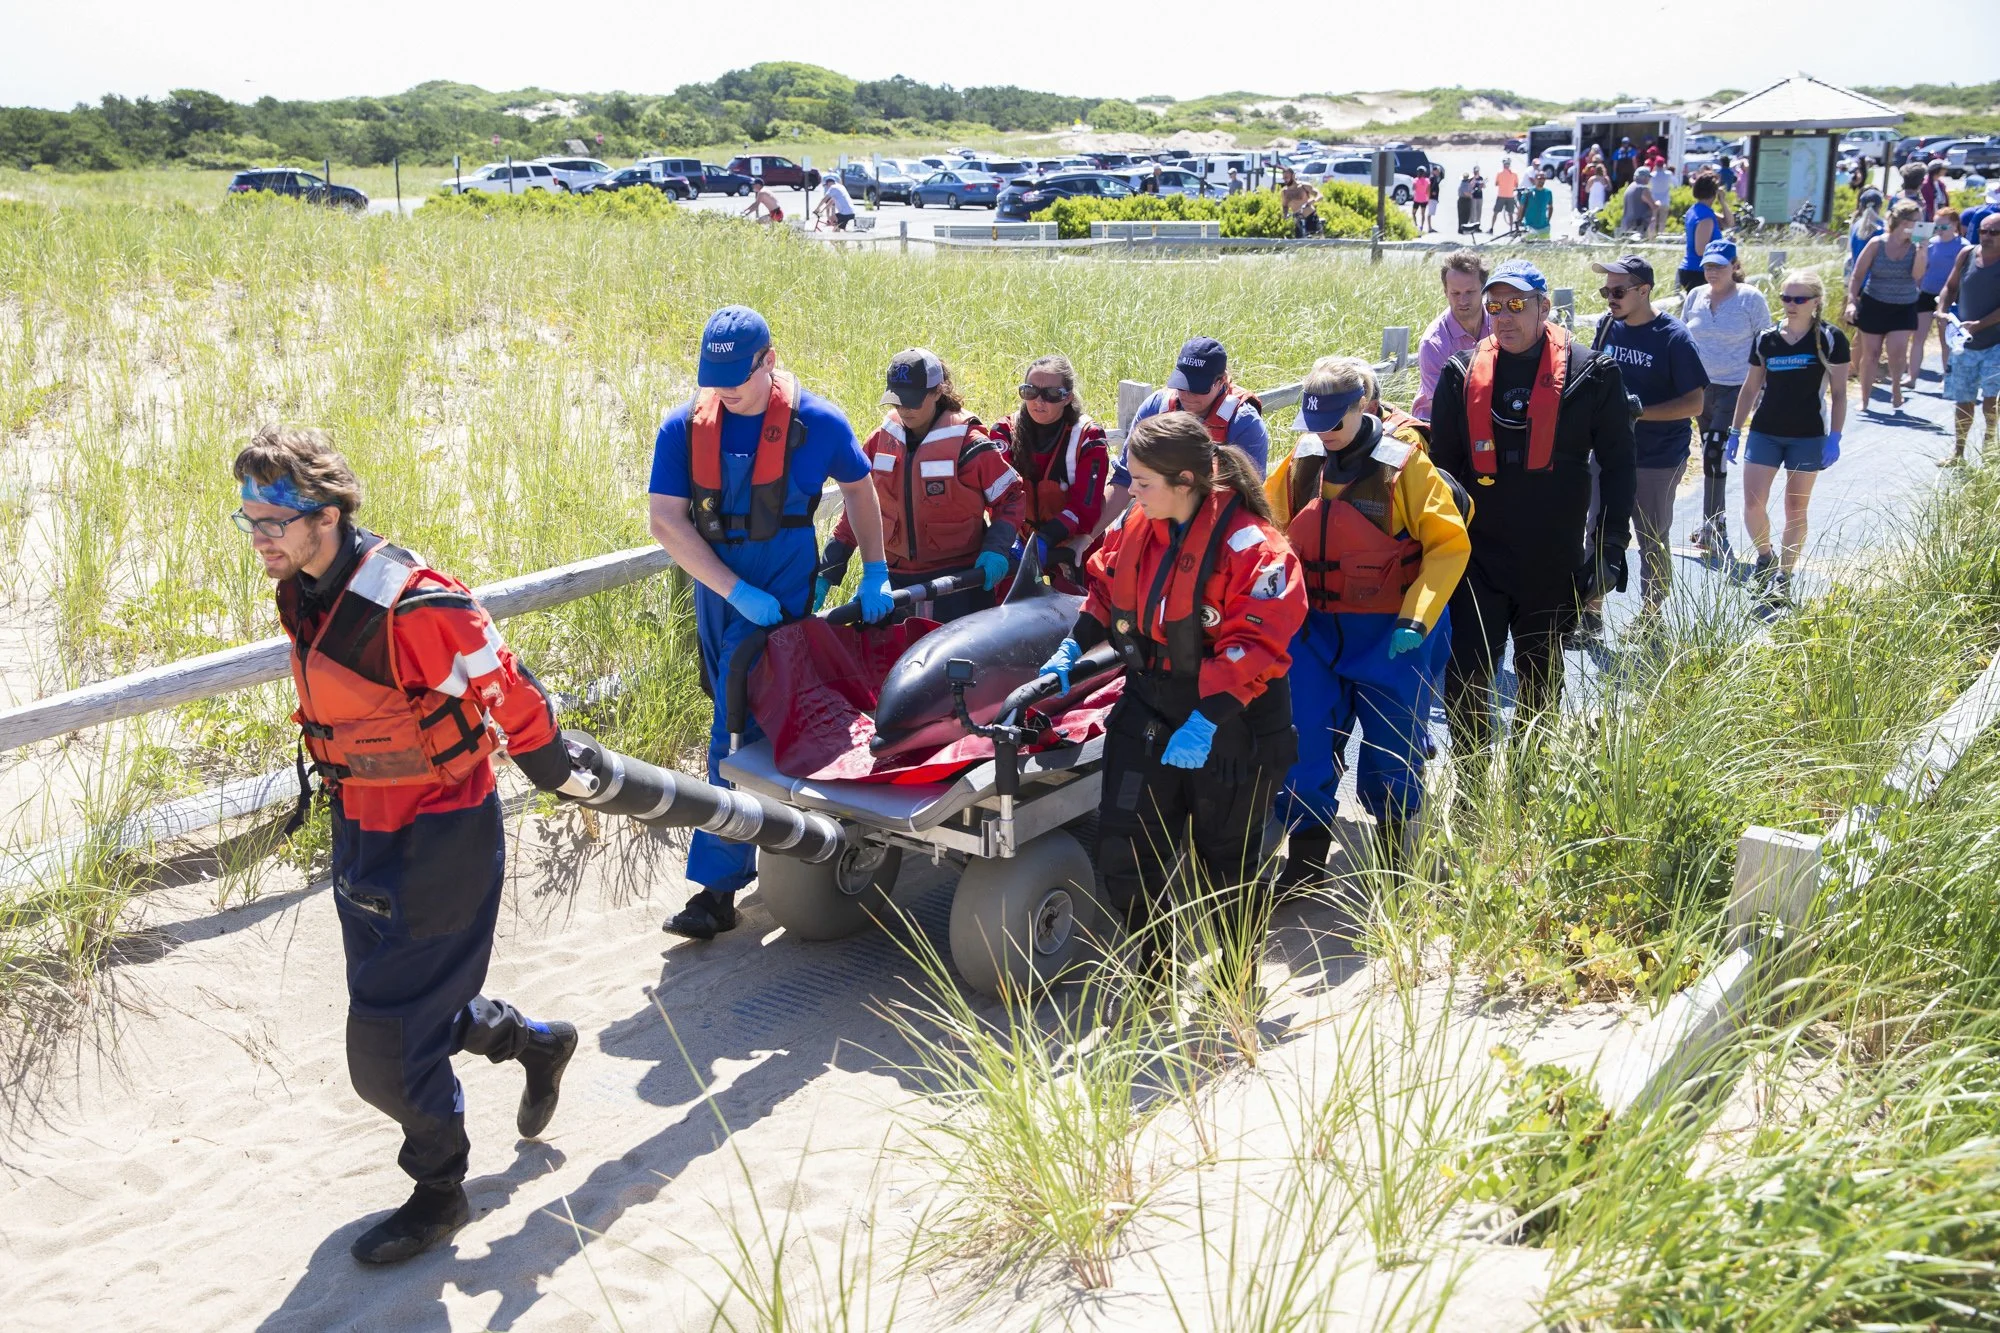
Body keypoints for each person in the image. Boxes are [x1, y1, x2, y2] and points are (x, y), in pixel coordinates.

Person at [232, 427, 581, 1265]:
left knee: (384, 1054)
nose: (260, 539)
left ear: (327, 512)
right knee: (407, 1006)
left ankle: (439, 1190)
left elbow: (505, 679)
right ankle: (536, 1042)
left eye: (274, 520)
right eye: (247, 521)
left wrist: (549, 762)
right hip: (359, 824)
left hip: (438, 833)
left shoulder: (412, 600)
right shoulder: (308, 588)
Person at [648, 306, 890, 941]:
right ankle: (795, 837)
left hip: (781, 584)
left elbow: (862, 492)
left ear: (769, 360)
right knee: (738, 704)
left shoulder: (819, 423)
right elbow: (666, 522)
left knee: (733, 718)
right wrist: (731, 588)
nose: (725, 390)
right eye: (714, 378)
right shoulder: (682, 427)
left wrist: (875, 569)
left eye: (737, 377)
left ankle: (718, 888)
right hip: (716, 584)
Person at [1038, 412, 1306, 938]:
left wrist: (1207, 722)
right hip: (1150, 702)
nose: (1130, 492)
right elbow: (1104, 588)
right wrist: (1072, 646)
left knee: (1225, 864)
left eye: (1140, 482)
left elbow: (1257, 649)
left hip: (1231, 717)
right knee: (1125, 849)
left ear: (1185, 482)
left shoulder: (1256, 552)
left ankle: (1234, 984)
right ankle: (1154, 974)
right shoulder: (1139, 525)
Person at [1266, 358, 1469, 877]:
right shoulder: (1303, 460)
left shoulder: (1405, 467)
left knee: (1392, 747)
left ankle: (1394, 852)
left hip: (1389, 634)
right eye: (1314, 424)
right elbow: (1268, 526)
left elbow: (1448, 545)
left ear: (1362, 406)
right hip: (1313, 632)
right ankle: (1306, 859)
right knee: (1304, 736)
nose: (1324, 434)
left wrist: (1416, 619)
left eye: (1335, 422)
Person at [1428, 259, 1637, 749]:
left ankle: (1530, 775)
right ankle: (1473, 784)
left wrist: (1609, 544)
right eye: (1495, 304)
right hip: (1478, 558)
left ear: (1545, 307)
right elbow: (1443, 473)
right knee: (1466, 675)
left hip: (1552, 556)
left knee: (1539, 673)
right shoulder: (1460, 375)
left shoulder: (1593, 374)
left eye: (1517, 304)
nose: (1504, 315)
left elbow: (1619, 466)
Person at [820, 348, 1027, 622]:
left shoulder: (970, 445)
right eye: (897, 402)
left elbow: (1011, 497)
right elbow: (859, 507)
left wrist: (996, 549)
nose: (904, 410)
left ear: (938, 391)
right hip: (893, 583)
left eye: (913, 401)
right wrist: (829, 570)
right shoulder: (880, 442)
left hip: (960, 583)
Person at [1590, 254, 1708, 618]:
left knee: (1651, 539)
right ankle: (1591, 611)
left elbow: (1696, 403)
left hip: (1657, 457)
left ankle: (1650, 614)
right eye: (1605, 290)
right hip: (1608, 452)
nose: (1611, 297)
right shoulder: (1608, 326)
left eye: (1619, 290)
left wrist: (1638, 415)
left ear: (1643, 290)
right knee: (1597, 532)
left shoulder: (1673, 338)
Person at [1725, 269, 1850, 605]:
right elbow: (1751, 387)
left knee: (1795, 508)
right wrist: (1735, 431)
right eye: (1785, 298)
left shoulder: (1831, 338)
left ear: (1816, 301)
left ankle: (1785, 575)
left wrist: (1835, 436)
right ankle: (1765, 558)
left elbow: (1839, 392)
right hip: (1765, 431)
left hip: (1807, 435)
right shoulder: (1766, 338)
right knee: (1753, 504)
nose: (1791, 305)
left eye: (1800, 299)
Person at [1103, 337, 1272, 529]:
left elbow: (1247, 498)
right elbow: (1125, 479)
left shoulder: (1244, 423)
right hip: (1155, 517)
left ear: (1221, 381)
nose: (1187, 394)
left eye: (1198, 388)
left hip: (1214, 525)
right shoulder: (1156, 408)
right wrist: (1086, 538)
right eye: (1182, 385)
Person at [1679, 240, 1773, 560]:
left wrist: (1765, 389)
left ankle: (1714, 526)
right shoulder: (1694, 296)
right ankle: (1713, 524)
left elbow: (1767, 344)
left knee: (1715, 450)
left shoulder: (1750, 299)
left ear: (1735, 266)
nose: (1712, 272)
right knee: (1709, 455)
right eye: (1707, 266)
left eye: (1719, 266)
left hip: (1737, 387)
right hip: (1701, 389)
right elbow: (1684, 341)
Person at [985, 353, 1109, 590]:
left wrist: (1044, 541)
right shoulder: (1003, 431)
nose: (1039, 401)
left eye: (1051, 395)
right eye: (1030, 391)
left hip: (1075, 552)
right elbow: (997, 494)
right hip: (1019, 547)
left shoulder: (1088, 438)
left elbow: (1086, 507)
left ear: (1067, 398)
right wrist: (1009, 539)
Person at [1847, 199, 1928, 413]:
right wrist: (1851, 302)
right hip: (1874, 302)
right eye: (1917, 221)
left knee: (1897, 351)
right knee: (1871, 353)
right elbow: (1858, 275)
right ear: (1903, 222)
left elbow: (1917, 276)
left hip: (1904, 304)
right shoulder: (1877, 243)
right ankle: (1864, 399)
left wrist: (1922, 250)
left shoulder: (1915, 246)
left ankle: (1896, 390)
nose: (1921, 225)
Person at [1938, 211, 2000, 465]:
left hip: (1995, 342)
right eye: (1983, 231)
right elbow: (1950, 286)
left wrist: (1980, 325)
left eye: (1994, 232)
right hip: (1964, 343)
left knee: (1991, 401)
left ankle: (1990, 453)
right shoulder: (1966, 255)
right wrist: (1942, 309)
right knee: (1963, 399)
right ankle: (1958, 453)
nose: (1986, 237)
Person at [1414, 250, 1493, 422]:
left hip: (1487, 415)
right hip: (1438, 423)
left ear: (1484, 290)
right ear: (1445, 292)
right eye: (1455, 293)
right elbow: (1442, 407)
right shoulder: (1433, 343)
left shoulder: (1499, 324)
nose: (1463, 300)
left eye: (1470, 292)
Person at [1915, 208, 1966, 391]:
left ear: (1954, 225)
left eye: (1943, 225)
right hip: (1927, 293)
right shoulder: (1931, 243)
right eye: (1935, 225)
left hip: (1949, 297)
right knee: (1918, 336)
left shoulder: (1963, 245)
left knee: (1946, 341)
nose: (1939, 229)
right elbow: (1922, 267)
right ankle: (1912, 376)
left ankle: (1947, 376)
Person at [1678, 175, 1726, 292]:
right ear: (1714, 192)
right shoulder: (1705, 218)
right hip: (1698, 272)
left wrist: (1722, 202)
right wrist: (1724, 247)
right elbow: (1700, 250)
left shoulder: (1697, 210)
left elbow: (1729, 222)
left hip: (1693, 270)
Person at [1846, 189, 1884, 278]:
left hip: (1857, 280)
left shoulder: (1855, 226)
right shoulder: (1884, 227)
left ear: (1861, 206)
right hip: (1877, 282)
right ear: (1880, 206)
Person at [1618, 166, 1656, 239]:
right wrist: (1658, 203)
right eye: (1648, 177)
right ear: (1644, 177)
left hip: (1627, 224)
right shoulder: (1643, 189)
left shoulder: (1630, 187)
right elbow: (1654, 206)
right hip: (1638, 226)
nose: (1649, 179)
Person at [1281, 168, 1320, 236]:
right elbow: (1285, 206)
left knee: (1315, 240)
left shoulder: (1304, 186)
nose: (1285, 180)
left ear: (1293, 176)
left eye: (1287, 177)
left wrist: (1314, 200)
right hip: (1297, 220)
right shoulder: (1285, 192)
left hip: (1310, 217)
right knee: (1299, 243)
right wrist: (1285, 214)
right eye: (1284, 178)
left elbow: (1319, 194)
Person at [1519, 170, 1554, 240]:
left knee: (1544, 248)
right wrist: (1519, 221)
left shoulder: (1548, 192)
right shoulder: (1528, 192)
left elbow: (1551, 207)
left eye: (1543, 178)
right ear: (1535, 179)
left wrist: (1548, 220)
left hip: (1544, 227)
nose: (1541, 180)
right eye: (1539, 178)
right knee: (1527, 248)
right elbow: (1521, 207)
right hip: (1530, 227)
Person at [1491, 160, 1518, 233]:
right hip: (1510, 196)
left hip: (1501, 195)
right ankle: (1511, 229)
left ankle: (1492, 228)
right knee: (1510, 214)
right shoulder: (1514, 174)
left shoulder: (1499, 173)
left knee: (1495, 212)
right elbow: (1516, 184)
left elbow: (1496, 183)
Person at [1411, 167, 1431, 232]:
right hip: (1424, 200)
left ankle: (1416, 225)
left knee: (1413, 213)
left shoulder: (1415, 180)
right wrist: (1428, 199)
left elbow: (1413, 188)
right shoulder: (1427, 180)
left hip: (1417, 199)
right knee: (1423, 214)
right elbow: (1428, 191)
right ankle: (1421, 226)